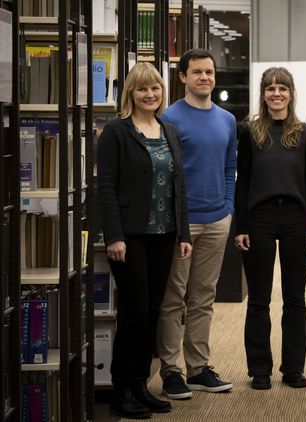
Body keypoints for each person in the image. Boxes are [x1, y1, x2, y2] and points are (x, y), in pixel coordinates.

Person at [97, 62, 192, 418]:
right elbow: (105, 186)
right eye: (142, 89)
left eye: (155, 88)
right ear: (130, 94)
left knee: (153, 312)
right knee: (134, 314)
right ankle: (121, 391)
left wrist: (183, 232)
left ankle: (141, 385)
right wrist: (114, 235)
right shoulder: (116, 133)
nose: (150, 94)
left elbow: (178, 186)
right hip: (131, 237)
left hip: (164, 235)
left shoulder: (168, 130)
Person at [156, 48, 237, 399]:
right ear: (183, 77)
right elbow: (166, 175)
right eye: (198, 72)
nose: (205, 77)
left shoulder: (227, 120)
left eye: (210, 72)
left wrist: (228, 209)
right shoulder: (168, 118)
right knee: (174, 298)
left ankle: (199, 368)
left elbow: (229, 168)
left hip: (218, 219)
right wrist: (178, 222)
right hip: (181, 226)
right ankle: (171, 370)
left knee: (204, 297)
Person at [233, 67, 306, 390]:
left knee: (295, 298)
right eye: (270, 88)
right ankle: (259, 369)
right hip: (259, 219)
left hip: (297, 219)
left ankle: (293, 367)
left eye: (282, 87)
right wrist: (241, 225)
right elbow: (243, 182)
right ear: (263, 93)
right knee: (259, 299)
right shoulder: (249, 132)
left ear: (291, 93)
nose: (276, 93)